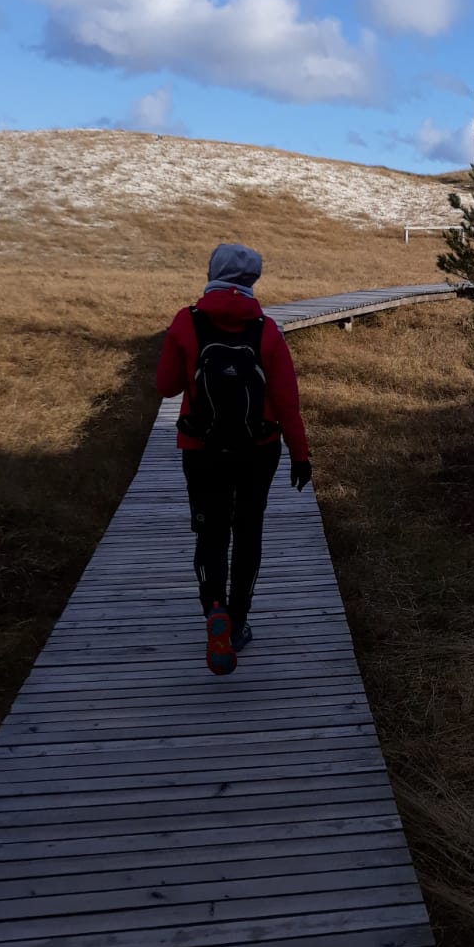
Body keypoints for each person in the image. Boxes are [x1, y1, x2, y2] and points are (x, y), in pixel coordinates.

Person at [156, 243, 312, 676]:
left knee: (210, 534)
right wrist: (300, 456)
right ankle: (238, 621)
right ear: (252, 281)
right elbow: (288, 402)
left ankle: (215, 611)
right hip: (257, 451)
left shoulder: (186, 322)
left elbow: (166, 387)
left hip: (201, 450)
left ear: (212, 273)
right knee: (247, 533)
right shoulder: (268, 331)